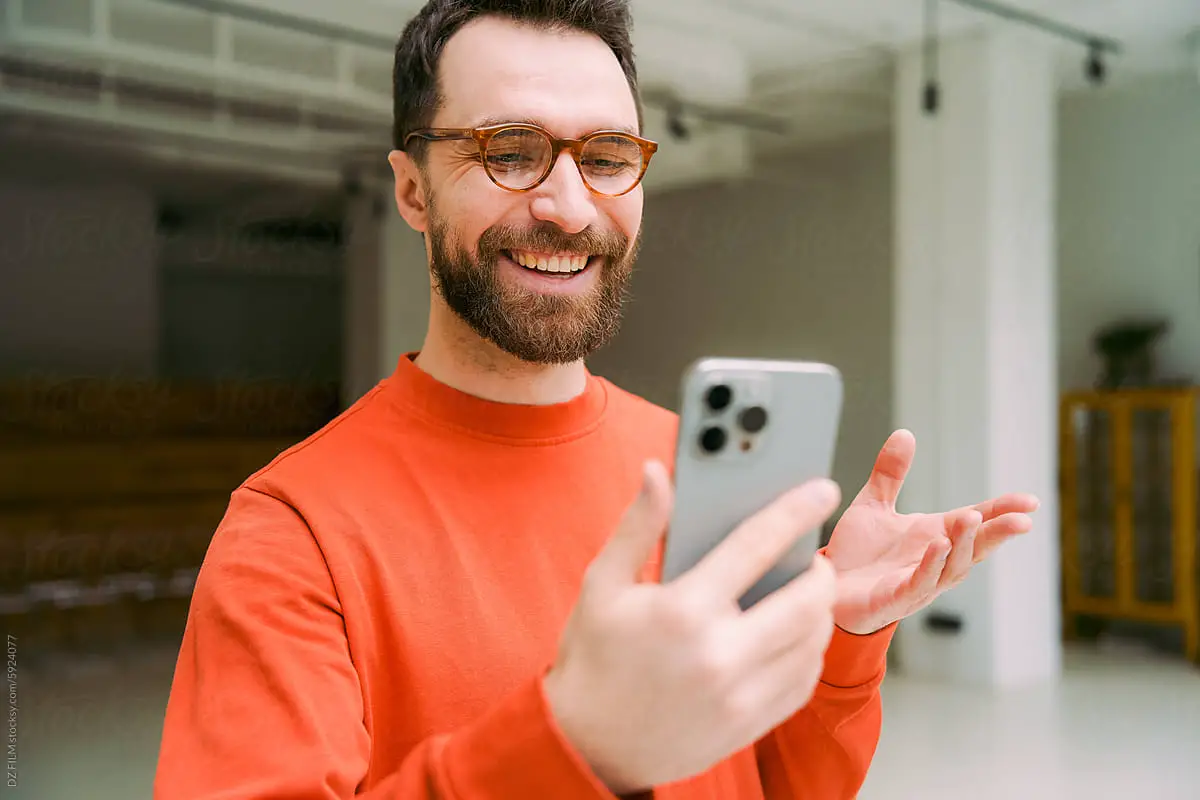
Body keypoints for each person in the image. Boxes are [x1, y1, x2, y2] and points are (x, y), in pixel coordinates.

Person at [153, 1, 1040, 797]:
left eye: (609, 157)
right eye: (510, 152)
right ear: (412, 189)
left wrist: (840, 646)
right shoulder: (289, 534)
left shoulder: (691, 467)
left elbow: (772, 782)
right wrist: (575, 746)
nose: (570, 207)